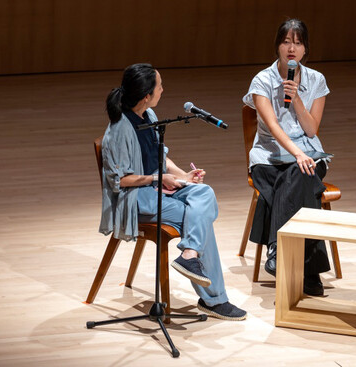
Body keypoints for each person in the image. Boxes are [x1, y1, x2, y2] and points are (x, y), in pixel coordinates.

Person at [99, 63, 246, 321]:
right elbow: (120, 180)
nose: (163, 90)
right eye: (160, 86)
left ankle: (189, 254)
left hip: (157, 187)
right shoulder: (120, 128)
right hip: (134, 198)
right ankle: (214, 299)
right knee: (197, 218)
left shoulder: (150, 116)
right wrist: (159, 178)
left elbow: (161, 158)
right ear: (146, 95)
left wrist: (182, 176)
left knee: (204, 193)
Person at [242, 18, 332, 297]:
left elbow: (311, 129)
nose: (291, 48)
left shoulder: (316, 80)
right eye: (286, 41)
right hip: (269, 156)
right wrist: (297, 154)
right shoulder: (263, 80)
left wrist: (299, 101)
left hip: (308, 154)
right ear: (278, 46)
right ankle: (311, 270)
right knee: (304, 183)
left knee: (298, 175)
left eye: (298, 42)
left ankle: (277, 249)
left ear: (305, 49)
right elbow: (271, 125)